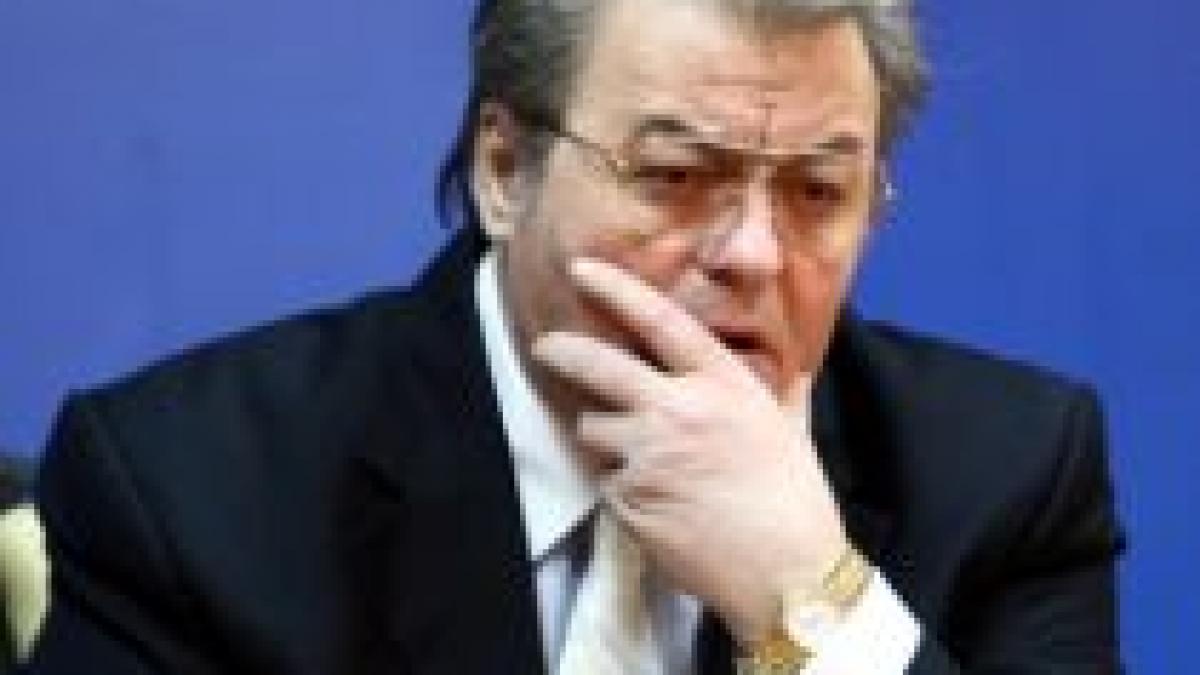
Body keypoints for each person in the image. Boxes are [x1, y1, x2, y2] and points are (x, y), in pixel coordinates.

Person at [25, 0, 1124, 672]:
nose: (755, 253)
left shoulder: (1005, 474)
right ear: (504, 170)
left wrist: (813, 603)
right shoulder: (191, 492)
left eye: (817, 191)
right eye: (677, 175)